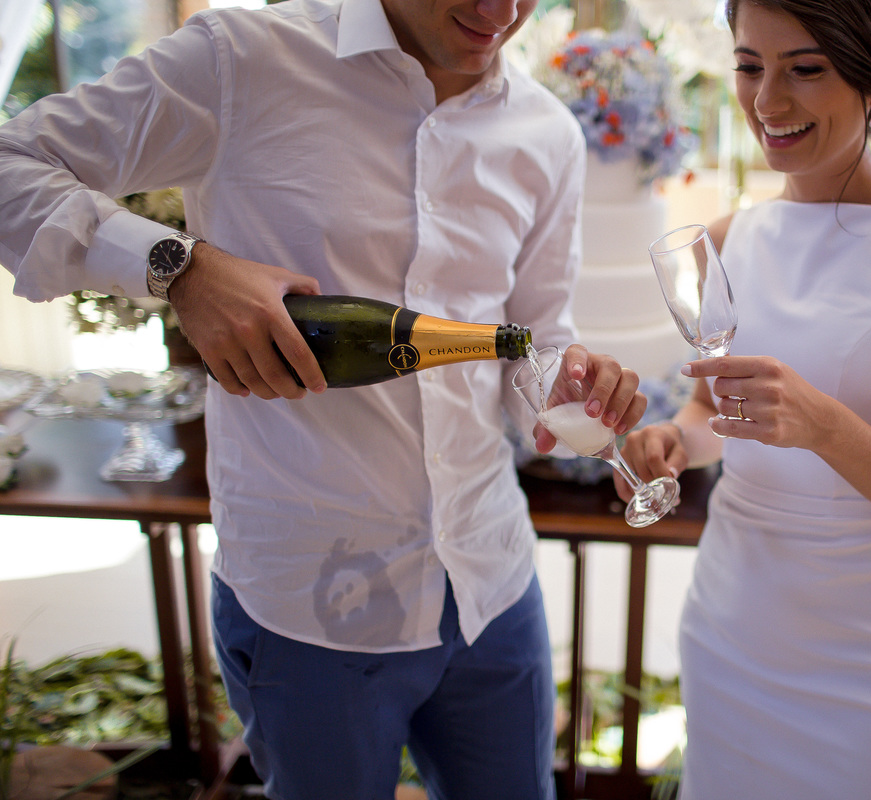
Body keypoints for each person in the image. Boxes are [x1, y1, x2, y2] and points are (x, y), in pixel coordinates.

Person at [0, 0, 649, 797]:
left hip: (490, 582)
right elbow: (10, 164)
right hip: (307, 603)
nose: (501, 11)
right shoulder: (242, 60)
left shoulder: (546, 131)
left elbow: (534, 335)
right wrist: (178, 266)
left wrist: (569, 389)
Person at [617, 0, 871, 797]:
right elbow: (711, 416)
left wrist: (824, 424)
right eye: (749, 65)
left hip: (866, 651)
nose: (767, 102)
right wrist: (674, 443)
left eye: (804, 69)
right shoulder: (726, 240)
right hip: (733, 620)